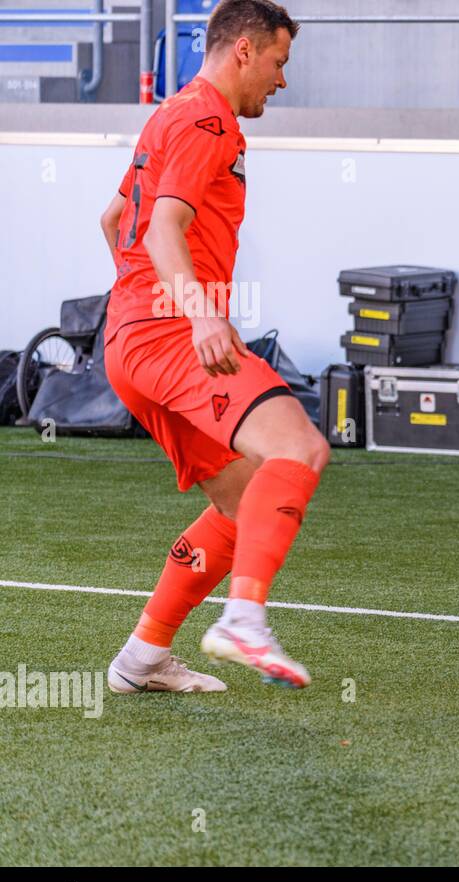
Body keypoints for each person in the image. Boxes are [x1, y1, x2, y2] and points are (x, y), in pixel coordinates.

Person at [99, 0, 324, 692]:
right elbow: (163, 228)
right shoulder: (208, 119)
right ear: (246, 52)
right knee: (299, 448)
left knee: (245, 501)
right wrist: (196, 315)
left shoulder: (171, 111)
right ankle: (243, 621)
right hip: (169, 336)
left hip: (131, 340)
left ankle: (141, 658)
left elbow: (114, 220)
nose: (281, 82)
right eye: (280, 63)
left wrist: (137, 306)